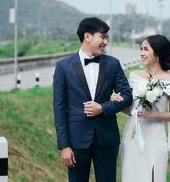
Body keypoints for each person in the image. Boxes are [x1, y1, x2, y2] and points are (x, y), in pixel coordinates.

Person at [53, 17, 132, 182]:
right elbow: (59, 108)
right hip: (76, 141)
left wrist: (103, 108)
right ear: (87, 36)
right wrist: (64, 145)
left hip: (107, 139)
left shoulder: (112, 64)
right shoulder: (63, 67)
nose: (105, 42)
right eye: (102, 37)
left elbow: (127, 96)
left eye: (107, 38)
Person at [111, 34, 170, 182]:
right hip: (132, 136)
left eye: (146, 49)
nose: (141, 53)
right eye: (141, 49)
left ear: (157, 53)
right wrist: (116, 102)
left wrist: (151, 115)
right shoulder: (134, 76)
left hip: (156, 137)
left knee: (154, 177)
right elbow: (129, 109)